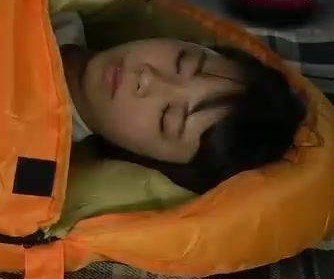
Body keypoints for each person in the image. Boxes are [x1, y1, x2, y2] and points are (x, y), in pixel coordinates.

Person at [52, 10, 306, 195]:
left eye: (167, 117)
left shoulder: (38, 157)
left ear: (145, 160)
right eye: (183, 62)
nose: (148, 78)